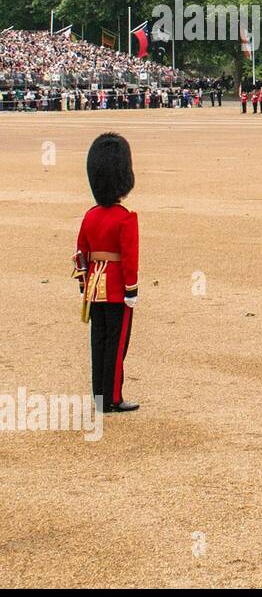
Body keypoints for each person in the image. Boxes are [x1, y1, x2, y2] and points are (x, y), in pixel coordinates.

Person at [73, 133, 141, 414]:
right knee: (116, 344)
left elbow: (80, 254)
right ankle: (113, 397)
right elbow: (129, 259)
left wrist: (84, 284)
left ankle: (99, 395)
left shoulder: (90, 215)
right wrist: (131, 290)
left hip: (94, 287)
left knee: (98, 341)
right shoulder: (125, 218)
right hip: (116, 289)